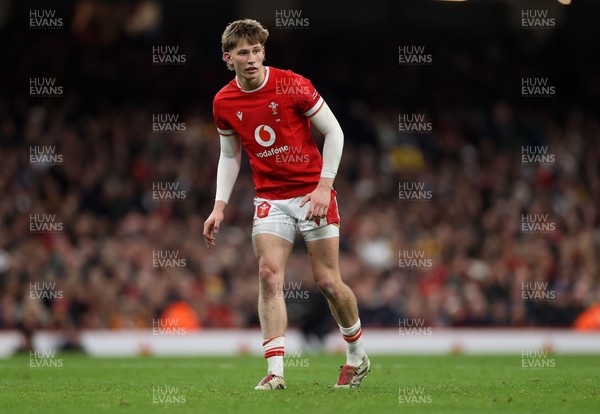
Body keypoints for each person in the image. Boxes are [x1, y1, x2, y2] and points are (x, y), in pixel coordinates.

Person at [203, 19, 369, 390]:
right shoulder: (223, 102)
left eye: (257, 50)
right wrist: (219, 206)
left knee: (328, 282)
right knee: (267, 275)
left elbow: (335, 132)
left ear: (264, 52)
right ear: (228, 58)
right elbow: (230, 157)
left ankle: (357, 356)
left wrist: (325, 187)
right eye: (242, 52)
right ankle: (275, 372)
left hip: (312, 192)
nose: (251, 58)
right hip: (271, 199)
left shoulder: (293, 83)